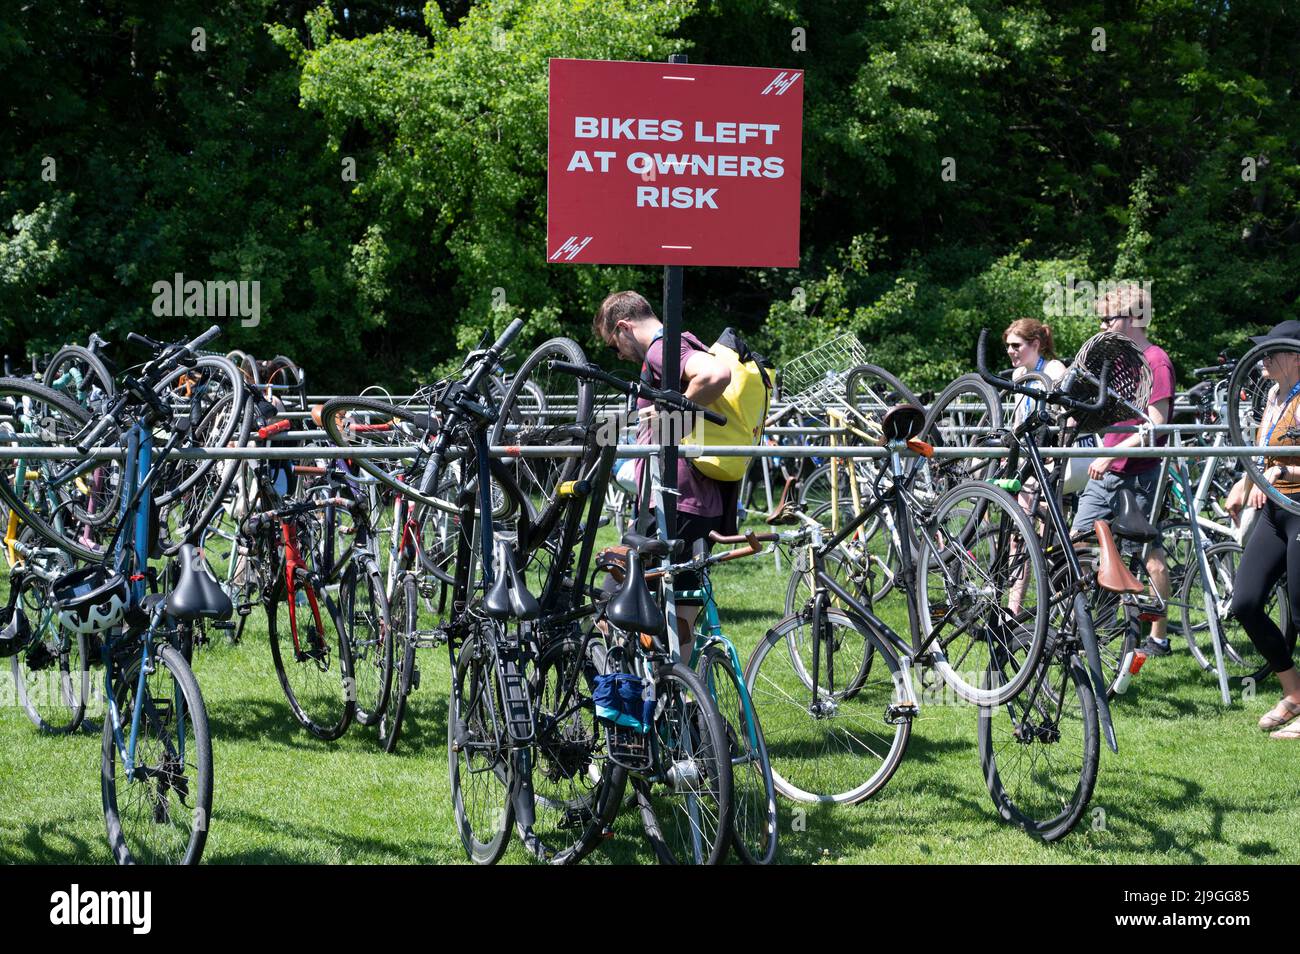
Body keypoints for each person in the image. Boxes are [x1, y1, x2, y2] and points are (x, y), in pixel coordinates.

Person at [593, 290, 733, 648]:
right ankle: (682, 699)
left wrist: (673, 415)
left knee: (608, 606)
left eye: (614, 345)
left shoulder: (660, 349)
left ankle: (623, 695)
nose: (620, 354)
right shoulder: (686, 341)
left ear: (624, 327)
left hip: (670, 501)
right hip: (702, 506)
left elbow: (717, 374)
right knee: (681, 614)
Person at [1069, 283, 1176, 656]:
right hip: (1106, 470)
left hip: (1140, 475)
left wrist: (1109, 455)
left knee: (1149, 556)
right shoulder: (1115, 360)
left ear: (1131, 318)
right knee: (1079, 539)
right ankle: (1099, 622)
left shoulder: (1156, 360)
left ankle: (1158, 637)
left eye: (1107, 319)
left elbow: (1155, 427)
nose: (1101, 326)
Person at [1225, 319, 1300, 739]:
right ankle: (1294, 691)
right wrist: (1245, 482)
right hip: (1276, 509)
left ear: (1294, 356)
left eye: (1271, 351)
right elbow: (1261, 449)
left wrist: (1287, 468)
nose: (1264, 359)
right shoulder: (1274, 395)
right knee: (1246, 601)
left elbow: (1282, 459)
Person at [1004, 319, 1067, 615]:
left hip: (1052, 463)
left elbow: (1065, 416)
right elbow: (1018, 420)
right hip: (1029, 462)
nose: (1010, 351)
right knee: (1020, 538)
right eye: (1008, 346)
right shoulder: (1019, 374)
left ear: (1036, 345)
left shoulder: (1053, 370)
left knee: (1048, 543)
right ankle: (1013, 610)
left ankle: (1059, 607)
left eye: (1016, 345)